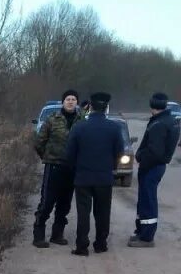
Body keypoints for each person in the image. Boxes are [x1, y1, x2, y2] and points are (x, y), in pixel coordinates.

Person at [64, 91, 124, 256]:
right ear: (106, 108)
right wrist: (111, 167)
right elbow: (120, 152)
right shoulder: (114, 128)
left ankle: (82, 246)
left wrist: (75, 169)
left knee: (83, 213)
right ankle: (100, 244)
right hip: (104, 177)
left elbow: (69, 154)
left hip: (83, 177)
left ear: (90, 107)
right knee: (103, 212)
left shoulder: (79, 127)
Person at [129, 92, 181, 248]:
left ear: (152, 106)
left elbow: (155, 151)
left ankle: (146, 237)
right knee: (146, 199)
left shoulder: (159, 124)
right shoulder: (169, 121)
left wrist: (140, 157)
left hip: (151, 167)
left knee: (147, 201)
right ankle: (142, 231)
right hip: (157, 166)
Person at [32, 89, 83, 248]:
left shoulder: (81, 121)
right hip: (54, 166)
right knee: (47, 202)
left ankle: (57, 234)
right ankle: (39, 235)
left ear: (77, 102)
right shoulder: (52, 119)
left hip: (71, 168)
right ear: (63, 102)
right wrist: (47, 157)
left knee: (65, 203)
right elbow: (39, 142)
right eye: (68, 99)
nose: (70, 101)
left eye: (73, 99)